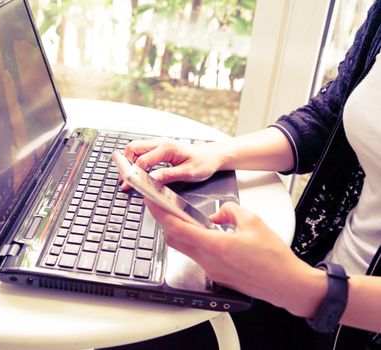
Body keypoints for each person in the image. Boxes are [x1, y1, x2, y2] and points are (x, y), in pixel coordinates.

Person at [110, 2, 381, 349]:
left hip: (336, 314)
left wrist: (299, 287)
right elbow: (331, 116)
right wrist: (216, 154)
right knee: (134, 313)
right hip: (317, 284)